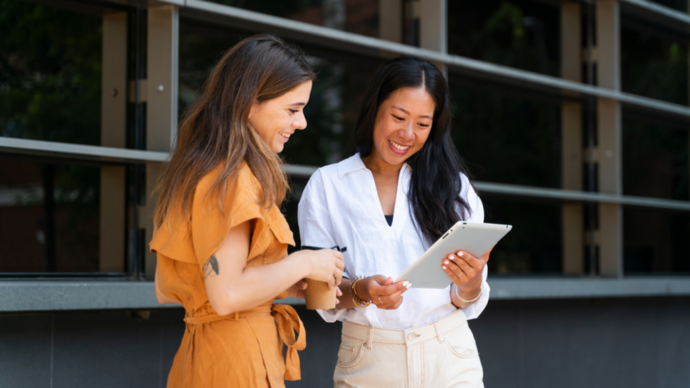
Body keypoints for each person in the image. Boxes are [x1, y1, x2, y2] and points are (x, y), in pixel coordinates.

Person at [149, 34, 344, 388]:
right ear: (250, 103)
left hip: (205, 355)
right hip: (237, 363)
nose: (301, 123)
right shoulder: (231, 178)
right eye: (292, 109)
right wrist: (303, 263)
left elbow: (172, 290)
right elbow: (227, 294)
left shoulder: (202, 171)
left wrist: (283, 282)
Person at [298, 57, 490, 387]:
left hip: (449, 355)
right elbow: (318, 294)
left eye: (422, 124)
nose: (407, 134)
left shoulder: (454, 188)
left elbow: (467, 299)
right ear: (374, 107)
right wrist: (362, 291)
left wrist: (470, 282)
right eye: (398, 117)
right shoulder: (327, 185)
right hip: (369, 358)